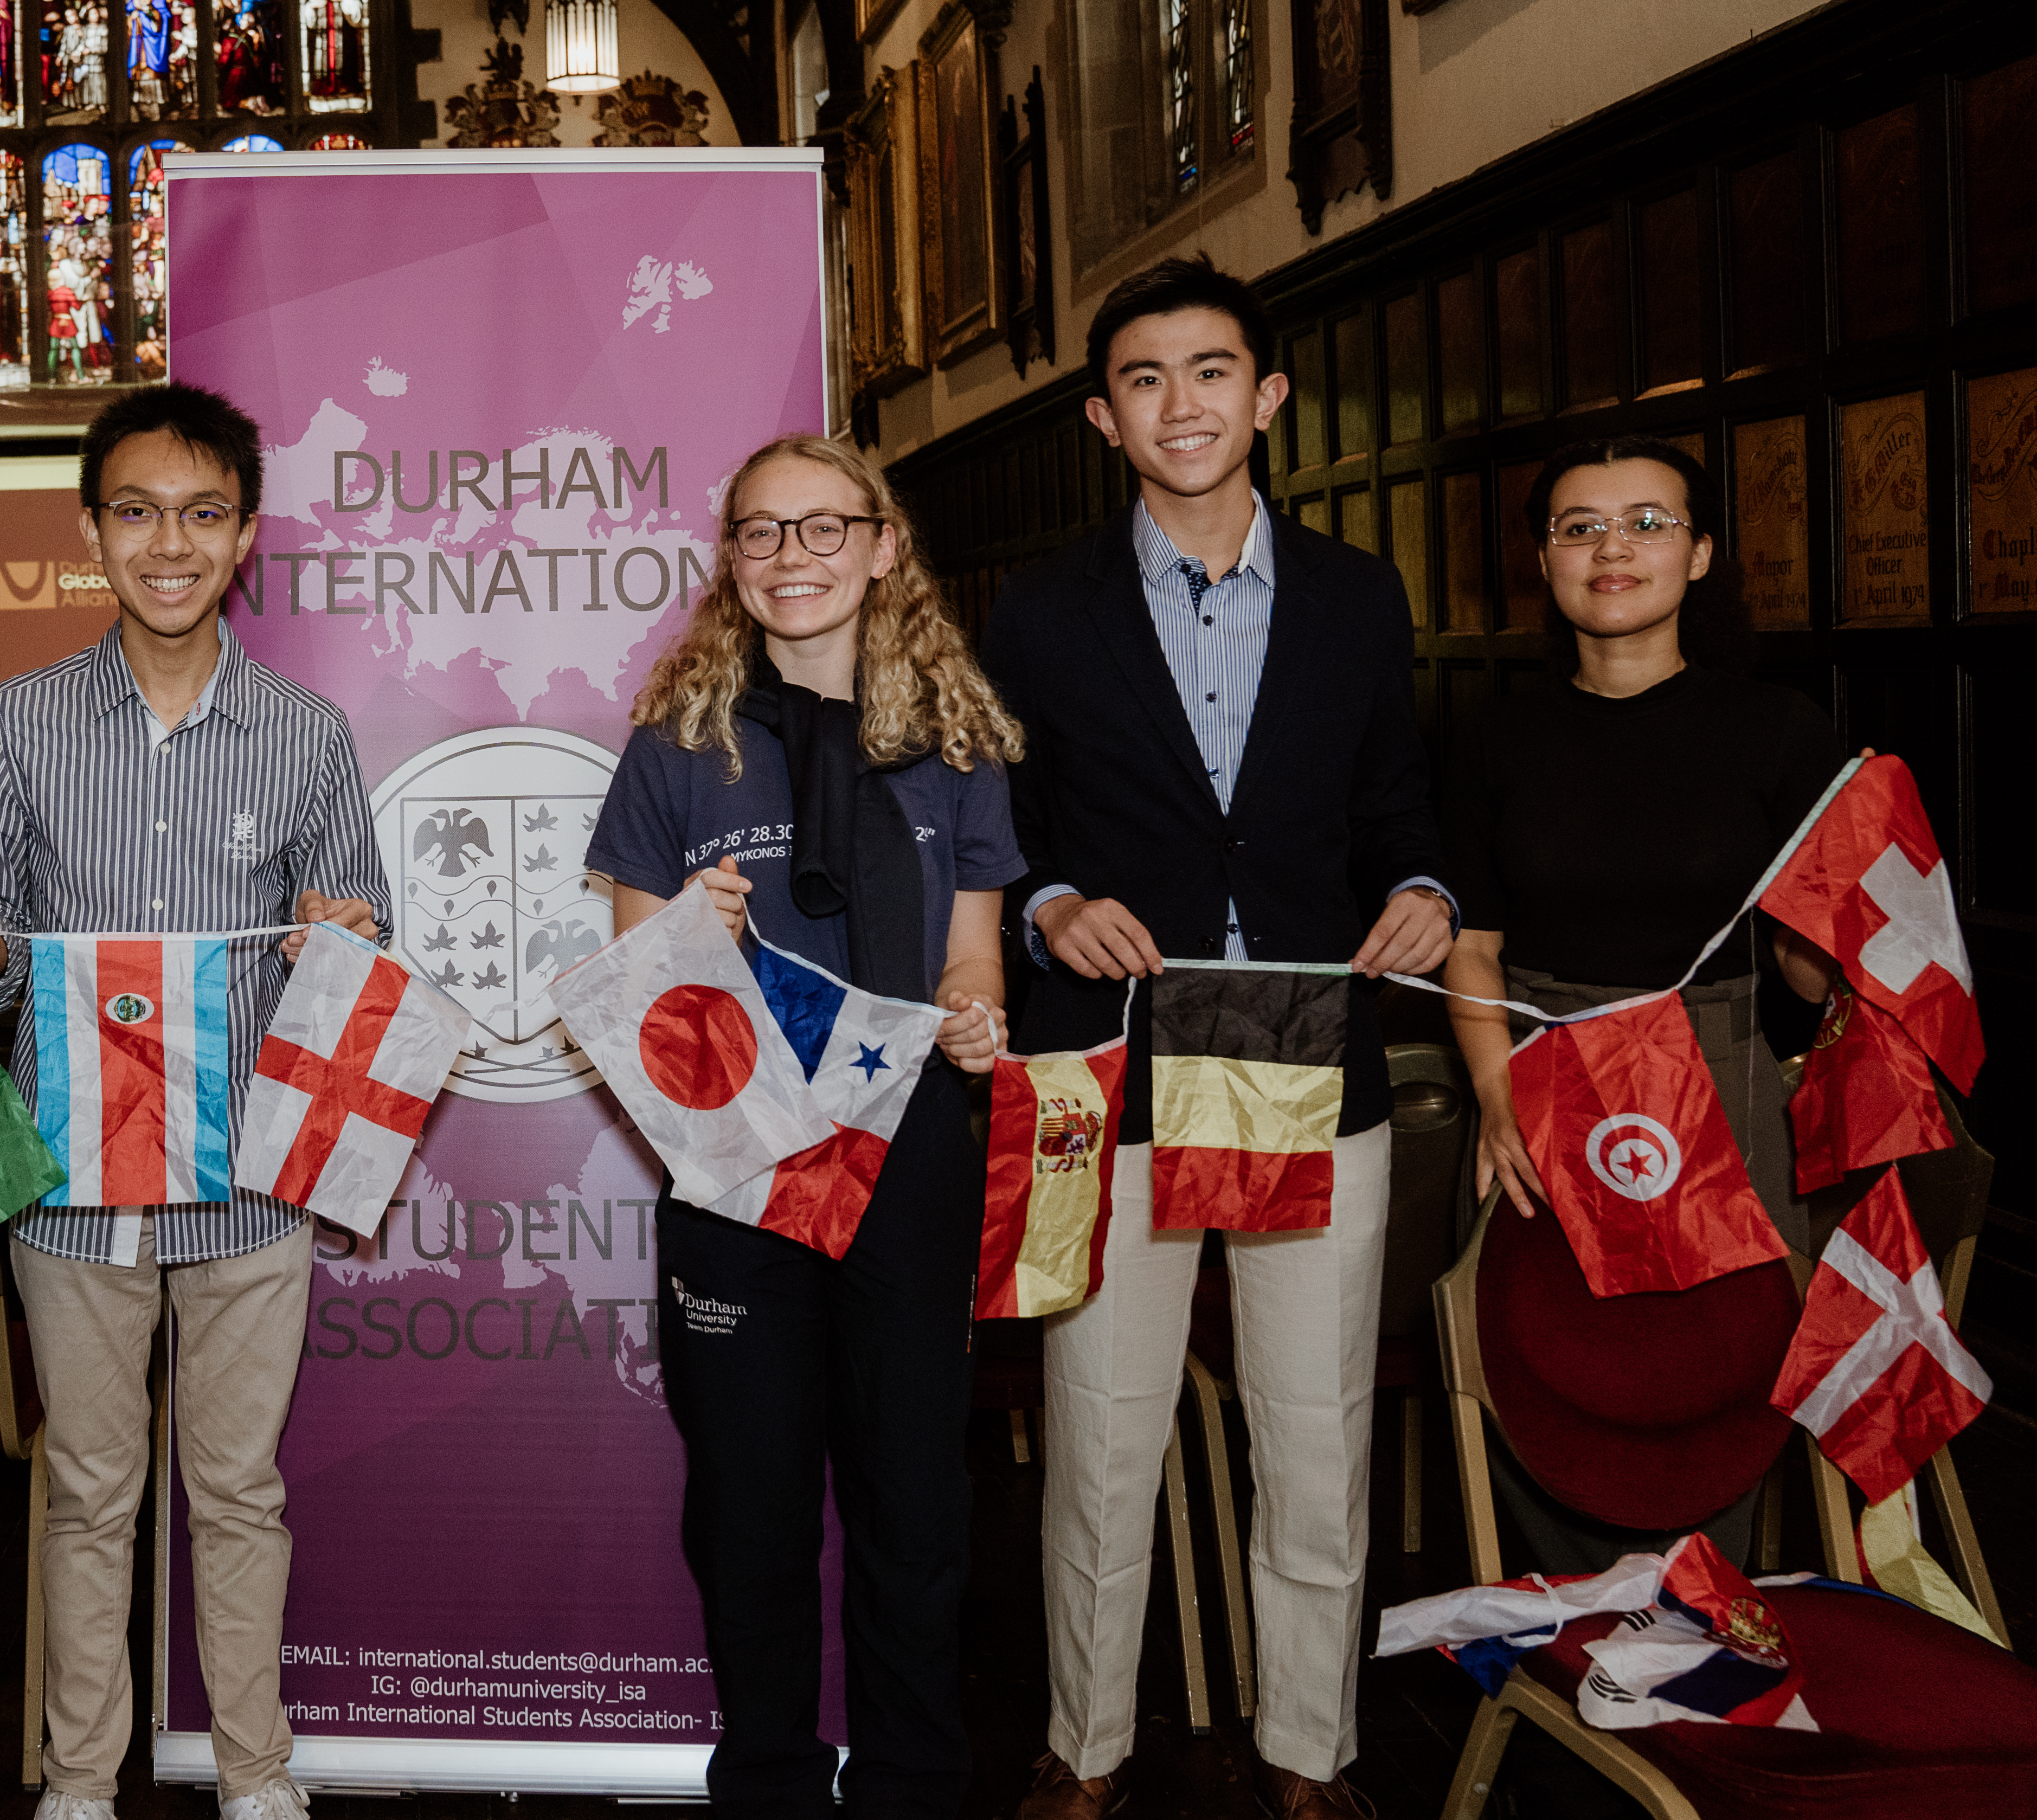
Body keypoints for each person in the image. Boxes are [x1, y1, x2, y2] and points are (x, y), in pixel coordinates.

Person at [980, 255, 1455, 1820]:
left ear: (1268, 397)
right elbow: (1003, 820)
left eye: (1208, 372)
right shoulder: (1041, 610)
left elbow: (1399, 804)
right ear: (1106, 419)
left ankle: (1310, 1752)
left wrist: (1426, 888)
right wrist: (1048, 902)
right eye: (1142, 380)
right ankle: (1084, 1747)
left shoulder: (1358, 594)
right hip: (1113, 1059)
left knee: (1313, 1429)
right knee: (1104, 1430)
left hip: (1310, 1049)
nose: (1178, 404)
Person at [0, 383, 385, 1820]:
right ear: (92, 532)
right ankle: (79, 1785)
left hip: (247, 1186)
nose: (168, 543)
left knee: (240, 1497)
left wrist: (341, 945)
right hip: (68, 1183)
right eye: (136, 512)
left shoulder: (309, 733)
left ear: (245, 537)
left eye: (202, 514)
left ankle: (257, 1776)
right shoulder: (24, 724)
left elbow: (358, 971)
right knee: (89, 1497)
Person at [581, 432, 1022, 1820]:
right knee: (751, 1505)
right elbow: (642, 997)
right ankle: (767, 1781)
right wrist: (690, 942)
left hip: (913, 1155)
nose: (793, 558)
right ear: (733, 560)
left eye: (824, 529)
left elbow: (976, 962)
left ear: (884, 545)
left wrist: (972, 1017)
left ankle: (910, 1783)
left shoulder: (957, 742)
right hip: (740, 1161)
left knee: (915, 1505)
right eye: (762, 534)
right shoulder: (678, 748)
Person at [1444, 435, 1848, 1253]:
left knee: (1731, 1357)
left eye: (1647, 522)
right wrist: (1496, 1098)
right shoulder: (1491, 737)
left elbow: (1807, 981)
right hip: (1536, 1078)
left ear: (1699, 556)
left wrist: (1855, 860)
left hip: (1722, 1077)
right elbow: (1473, 947)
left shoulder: (1780, 731)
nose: (1612, 549)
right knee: (1540, 1359)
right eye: (1580, 528)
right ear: (1546, 559)